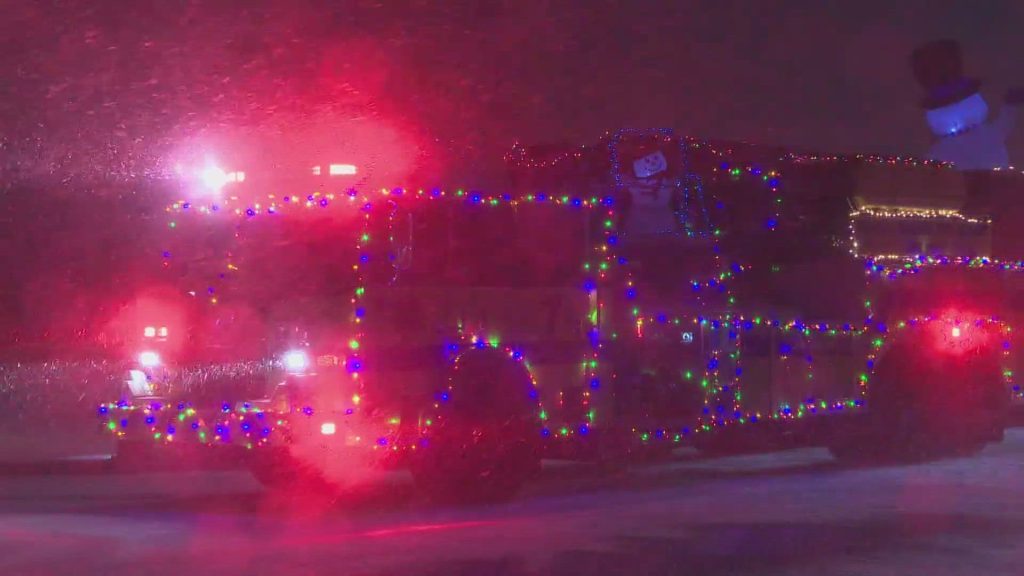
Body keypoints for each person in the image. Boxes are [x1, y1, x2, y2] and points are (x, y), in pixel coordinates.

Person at [911, 39, 1024, 217]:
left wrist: (1011, 105)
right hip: (963, 203)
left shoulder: (987, 134)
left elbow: (1005, 124)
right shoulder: (943, 149)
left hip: (995, 196)